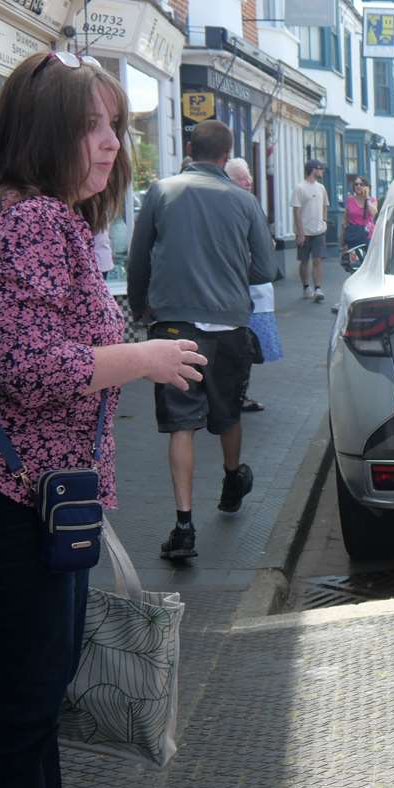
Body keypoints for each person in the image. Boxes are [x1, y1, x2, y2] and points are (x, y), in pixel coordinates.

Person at [0, 49, 207, 788]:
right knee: (22, 703)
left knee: (18, 698)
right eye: (91, 126)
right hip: (26, 498)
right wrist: (145, 359)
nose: (112, 143)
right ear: (45, 133)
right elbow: (31, 366)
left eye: (115, 124)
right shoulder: (37, 221)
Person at [128, 120, 276, 562]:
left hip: (174, 325)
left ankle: (184, 525)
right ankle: (232, 480)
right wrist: (231, 275)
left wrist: (140, 305)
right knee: (228, 411)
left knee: (181, 424)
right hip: (229, 325)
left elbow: (138, 259)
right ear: (227, 153)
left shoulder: (161, 191)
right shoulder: (245, 201)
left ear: (190, 148)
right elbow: (266, 270)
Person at [225, 157, 283, 412]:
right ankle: (235, 396)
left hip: (252, 289)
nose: (248, 180)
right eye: (241, 177)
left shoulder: (248, 203)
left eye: (248, 175)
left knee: (247, 346)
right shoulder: (234, 205)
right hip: (242, 289)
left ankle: (236, 393)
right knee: (241, 346)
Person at [293, 158, 329, 301]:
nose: (322, 171)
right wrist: (300, 233)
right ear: (313, 170)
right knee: (304, 261)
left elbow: (325, 205)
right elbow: (296, 212)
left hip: (319, 231)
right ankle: (306, 287)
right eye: (320, 168)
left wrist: (324, 222)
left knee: (318, 260)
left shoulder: (321, 188)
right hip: (305, 232)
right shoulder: (300, 188)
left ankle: (318, 289)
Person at [340, 174, 378, 258]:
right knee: (355, 264)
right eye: (356, 184)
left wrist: (366, 198)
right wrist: (342, 241)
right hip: (353, 235)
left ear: (367, 187)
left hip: (368, 236)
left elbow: (373, 212)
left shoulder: (372, 200)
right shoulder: (350, 200)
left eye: (361, 184)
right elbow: (345, 221)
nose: (358, 186)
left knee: (368, 262)